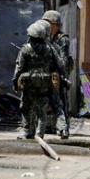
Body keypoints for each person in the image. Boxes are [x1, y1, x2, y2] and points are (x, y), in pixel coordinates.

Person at [13, 22, 60, 140]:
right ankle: (40, 134)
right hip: (44, 84)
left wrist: (15, 82)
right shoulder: (50, 49)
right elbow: (58, 65)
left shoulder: (25, 50)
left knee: (26, 108)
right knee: (42, 110)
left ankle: (28, 132)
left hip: (29, 85)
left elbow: (19, 68)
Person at [43, 10, 72, 140]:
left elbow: (63, 60)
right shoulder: (46, 37)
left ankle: (64, 127)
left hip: (58, 73)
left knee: (60, 100)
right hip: (47, 73)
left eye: (48, 23)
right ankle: (50, 125)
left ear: (54, 24)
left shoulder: (62, 39)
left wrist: (62, 75)